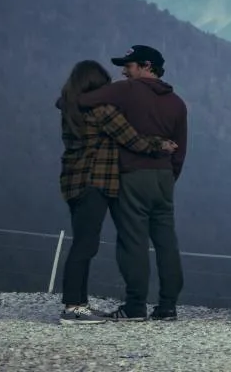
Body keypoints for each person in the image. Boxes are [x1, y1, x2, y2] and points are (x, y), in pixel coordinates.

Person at [56, 60, 177, 325]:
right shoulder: (102, 111)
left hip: (73, 182)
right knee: (85, 245)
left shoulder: (69, 106)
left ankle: (79, 303)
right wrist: (161, 144)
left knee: (82, 241)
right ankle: (73, 306)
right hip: (96, 182)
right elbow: (131, 138)